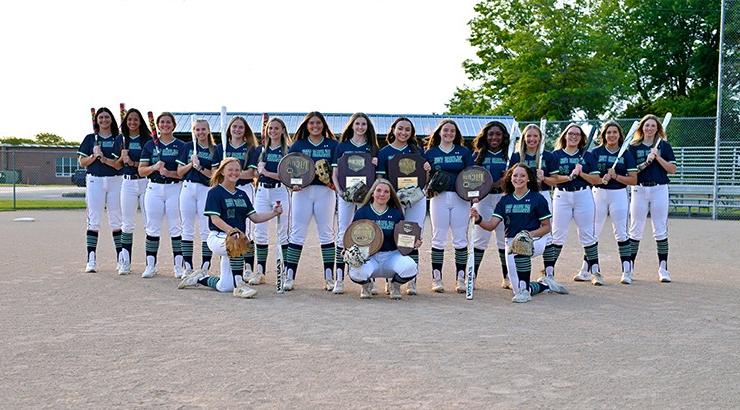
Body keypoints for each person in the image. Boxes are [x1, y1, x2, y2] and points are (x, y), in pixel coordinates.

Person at [178, 157, 282, 298]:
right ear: (222, 172)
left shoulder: (242, 194)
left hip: (234, 239)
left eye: (237, 170)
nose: (234, 173)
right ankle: (240, 285)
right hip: (218, 237)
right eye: (230, 170)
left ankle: (199, 279)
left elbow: (255, 218)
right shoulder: (214, 192)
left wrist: (273, 213)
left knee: (225, 286)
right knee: (237, 240)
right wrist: (231, 231)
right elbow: (215, 219)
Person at [471, 164, 569, 303]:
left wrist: (529, 234)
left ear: (529, 178)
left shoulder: (537, 198)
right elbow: (491, 225)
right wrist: (478, 218)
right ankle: (545, 285)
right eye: (515, 175)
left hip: (535, 239)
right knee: (516, 287)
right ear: (510, 178)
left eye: (522, 175)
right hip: (511, 243)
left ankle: (525, 292)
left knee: (521, 242)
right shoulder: (505, 200)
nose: (518, 178)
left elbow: (547, 227)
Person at [284, 112, 339, 291]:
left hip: (325, 192)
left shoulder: (333, 144)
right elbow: (289, 169)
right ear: (306, 125)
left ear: (323, 125)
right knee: (297, 233)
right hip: (302, 192)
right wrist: (292, 185)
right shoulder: (298, 145)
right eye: (311, 123)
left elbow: (339, 169)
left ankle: (329, 277)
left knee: (327, 234)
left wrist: (335, 184)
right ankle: (289, 275)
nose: (315, 126)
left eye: (318, 123)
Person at [375, 117, 431, 295]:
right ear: (393, 130)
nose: (403, 132)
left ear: (411, 133)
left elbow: (424, 180)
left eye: (407, 129)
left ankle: (411, 280)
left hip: (415, 198)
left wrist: (428, 171)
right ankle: (390, 279)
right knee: (391, 234)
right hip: (394, 198)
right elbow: (381, 180)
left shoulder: (417, 151)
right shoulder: (384, 152)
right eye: (400, 128)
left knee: (411, 234)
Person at [544, 123, 604, 285]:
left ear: (581, 138)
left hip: (583, 195)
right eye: (570, 133)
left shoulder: (588, 156)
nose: (573, 136)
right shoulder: (555, 155)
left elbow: (597, 180)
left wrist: (581, 173)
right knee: (557, 235)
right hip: (561, 196)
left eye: (577, 134)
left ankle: (596, 272)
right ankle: (548, 273)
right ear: (565, 135)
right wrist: (569, 177)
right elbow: (552, 180)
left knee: (587, 234)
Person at [348, 179, 421, 299]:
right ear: (372, 193)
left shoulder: (396, 213)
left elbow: (402, 237)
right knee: (355, 272)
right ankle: (366, 285)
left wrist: (413, 243)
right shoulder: (362, 212)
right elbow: (352, 237)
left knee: (411, 267)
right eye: (379, 190)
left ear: (390, 195)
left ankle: (395, 285)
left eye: (386, 192)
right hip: (369, 257)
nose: (382, 194)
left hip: (391, 256)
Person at [331, 113, 379, 294]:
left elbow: (376, 176)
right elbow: (335, 174)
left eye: (363, 124)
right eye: (357, 123)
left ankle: (368, 280)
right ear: (352, 125)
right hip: (345, 195)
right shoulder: (342, 146)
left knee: (366, 233)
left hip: (365, 196)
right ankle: (339, 279)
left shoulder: (373, 147)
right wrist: (340, 191)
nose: (360, 127)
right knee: (343, 233)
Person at [424, 119, 474, 293]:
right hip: (439, 197)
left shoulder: (464, 151)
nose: (449, 133)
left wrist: (473, 197)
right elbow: (425, 178)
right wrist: (426, 172)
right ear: (439, 132)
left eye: (452, 131)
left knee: (460, 238)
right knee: (438, 237)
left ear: (456, 133)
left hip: (460, 197)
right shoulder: (430, 152)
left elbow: (471, 175)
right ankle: (436, 279)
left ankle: (461, 279)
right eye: (446, 130)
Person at [628, 114, 677, 283]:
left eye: (653, 126)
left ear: (657, 128)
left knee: (660, 229)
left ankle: (663, 268)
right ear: (642, 128)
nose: (649, 128)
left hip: (659, 189)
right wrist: (646, 162)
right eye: (646, 125)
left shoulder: (664, 146)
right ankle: (629, 268)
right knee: (635, 229)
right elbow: (631, 172)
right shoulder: (633, 147)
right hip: (639, 190)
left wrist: (657, 157)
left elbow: (672, 169)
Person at [138, 112, 187, 278]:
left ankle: (178, 267)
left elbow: (182, 173)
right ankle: (150, 265)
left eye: (168, 122)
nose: (165, 125)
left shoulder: (181, 145)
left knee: (176, 227)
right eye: (162, 122)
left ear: (174, 125)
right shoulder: (150, 145)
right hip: (154, 188)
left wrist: (169, 172)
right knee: (152, 227)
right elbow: (141, 170)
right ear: (158, 126)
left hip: (175, 188)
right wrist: (154, 167)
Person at [508, 123, 558, 280]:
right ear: (523, 138)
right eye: (528, 136)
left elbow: (555, 182)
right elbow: (510, 180)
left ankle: (549, 274)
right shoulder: (516, 157)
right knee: (519, 234)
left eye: (535, 136)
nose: (532, 139)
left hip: (542, 195)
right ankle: (516, 274)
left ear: (540, 138)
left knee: (548, 235)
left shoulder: (549, 156)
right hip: (521, 198)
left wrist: (544, 178)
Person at [77, 107, 123, 273]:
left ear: (111, 119)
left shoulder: (119, 138)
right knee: (94, 219)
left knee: (116, 219)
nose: (104, 120)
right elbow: (82, 162)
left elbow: (120, 164)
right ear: (97, 120)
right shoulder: (90, 139)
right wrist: (93, 157)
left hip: (115, 180)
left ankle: (121, 259)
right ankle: (91, 259)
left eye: (107, 117)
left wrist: (103, 158)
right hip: (95, 180)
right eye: (101, 117)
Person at [591, 121, 637, 284]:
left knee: (621, 233)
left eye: (614, 132)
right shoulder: (596, 152)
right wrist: (599, 179)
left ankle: (626, 271)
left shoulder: (626, 154)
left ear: (619, 135)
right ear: (603, 135)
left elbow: (633, 180)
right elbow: (591, 176)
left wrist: (616, 176)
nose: (611, 135)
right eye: (608, 132)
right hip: (599, 194)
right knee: (593, 232)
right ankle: (589, 270)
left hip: (618, 194)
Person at [177, 119, 223, 276]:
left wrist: (200, 167)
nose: (201, 132)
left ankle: (205, 266)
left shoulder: (214, 149)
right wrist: (191, 165)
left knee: (205, 229)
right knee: (187, 228)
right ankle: (187, 267)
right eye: (197, 129)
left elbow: (214, 175)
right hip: (188, 188)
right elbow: (179, 172)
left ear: (209, 131)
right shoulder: (188, 147)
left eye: (203, 129)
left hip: (205, 189)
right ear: (194, 131)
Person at [250, 117, 292, 286]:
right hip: (262, 190)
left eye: (276, 128)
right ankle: (260, 271)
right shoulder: (262, 150)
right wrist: (260, 172)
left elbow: (288, 176)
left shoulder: (287, 150)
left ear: (282, 130)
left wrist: (266, 172)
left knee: (283, 233)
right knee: (259, 232)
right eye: (270, 128)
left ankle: (286, 272)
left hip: (280, 190)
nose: (273, 131)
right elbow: (255, 173)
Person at [471, 121, 510, 289]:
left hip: (504, 199)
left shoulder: (510, 155)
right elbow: (471, 179)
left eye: (498, 134)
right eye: (491, 134)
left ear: (504, 137)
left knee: (504, 240)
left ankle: (507, 277)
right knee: (480, 240)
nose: (494, 137)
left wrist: (506, 181)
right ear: (485, 137)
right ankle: (472, 276)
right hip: (484, 200)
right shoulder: (478, 155)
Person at [224, 116, 258, 279]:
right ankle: (232, 267)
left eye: (241, 127)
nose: (237, 130)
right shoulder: (221, 147)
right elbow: (217, 170)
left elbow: (250, 173)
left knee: (248, 230)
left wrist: (231, 174)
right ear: (229, 129)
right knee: (229, 229)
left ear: (245, 131)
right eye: (234, 127)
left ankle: (249, 267)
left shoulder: (250, 148)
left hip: (245, 189)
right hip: (225, 191)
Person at [118, 108, 151, 275]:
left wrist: (131, 162)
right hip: (128, 183)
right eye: (129, 119)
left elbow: (148, 164)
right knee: (127, 224)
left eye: (135, 119)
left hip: (145, 183)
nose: (132, 122)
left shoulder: (148, 140)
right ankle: (125, 262)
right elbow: (117, 165)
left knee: (149, 224)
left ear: (140, 121)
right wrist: (121, 159)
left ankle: (150, 264)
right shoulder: (121, 139)